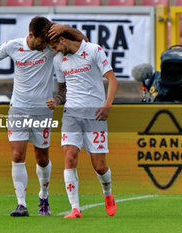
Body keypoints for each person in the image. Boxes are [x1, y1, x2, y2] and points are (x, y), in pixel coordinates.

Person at [0, 16, 87, 217]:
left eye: (47, 42)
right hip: (18, 108)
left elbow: (83, 43)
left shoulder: (49, 48)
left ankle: (43, 196)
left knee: (42, 159)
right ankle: (21, 204)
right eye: (41, 41)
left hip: (42, 112)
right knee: (17, 155)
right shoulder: (13, 46)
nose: (44, 45)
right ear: (30, 35)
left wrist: (65, 28)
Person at [46, 34, 118, 218]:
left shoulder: (93, 50)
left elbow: (112, 79)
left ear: (62, 39)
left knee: (99, 166)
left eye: (55, 47)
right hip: (71, 115)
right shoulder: (58, 60)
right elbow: (62, 90)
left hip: (95, 115)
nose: (54, 52)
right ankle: (75, 208)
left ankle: (108, 195)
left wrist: (107, 106)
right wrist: (56, 100)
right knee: (69, 157)